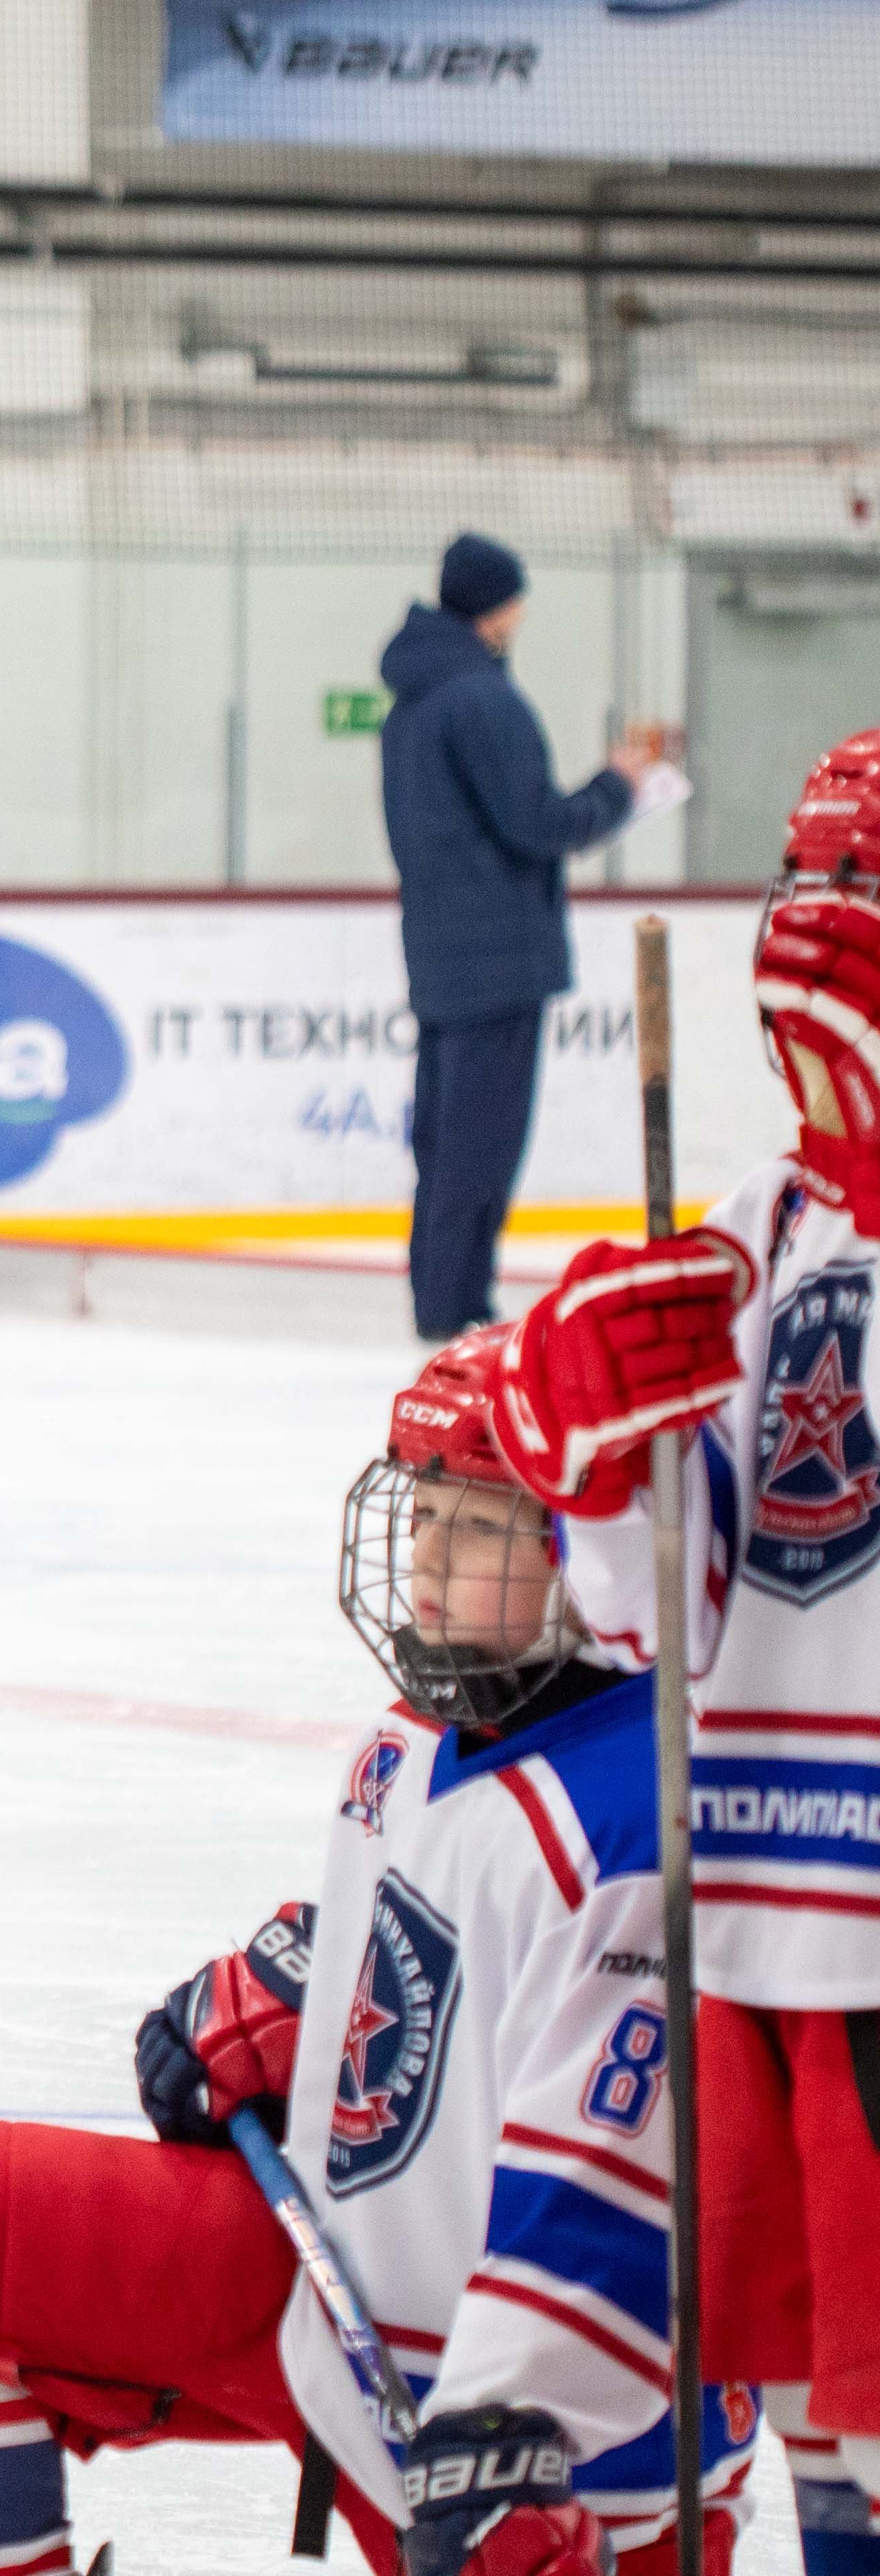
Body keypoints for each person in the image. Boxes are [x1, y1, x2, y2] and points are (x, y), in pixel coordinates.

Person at [0, 1328, 750, 2576]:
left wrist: (509, 2428)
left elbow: (624, 2177)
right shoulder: (415, 1736)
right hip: (337, 2307)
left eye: (473, 1525)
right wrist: (289, 2001)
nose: (422, 1558)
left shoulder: (652, 1813)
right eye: (420, 1509)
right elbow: (439, 1971)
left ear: (597, 1556)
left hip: (546, 2450)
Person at [490, 723, 880, 2571]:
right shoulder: (759, 1225)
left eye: (861, 885)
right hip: (748, 1892)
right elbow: (660, 1614)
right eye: (804, 879)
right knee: (798, 2361)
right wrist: (593, 1464)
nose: (818, 925)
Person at [379, 533, 682, 1342]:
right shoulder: (481, 699)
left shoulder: (412, 702)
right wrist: (619, 787)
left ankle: (439, 1299)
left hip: (441, 949)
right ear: (494, 607)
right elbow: (538, 822)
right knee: (479, 1142)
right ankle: (456, 1308)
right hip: (497, 957)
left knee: (445, 1140)